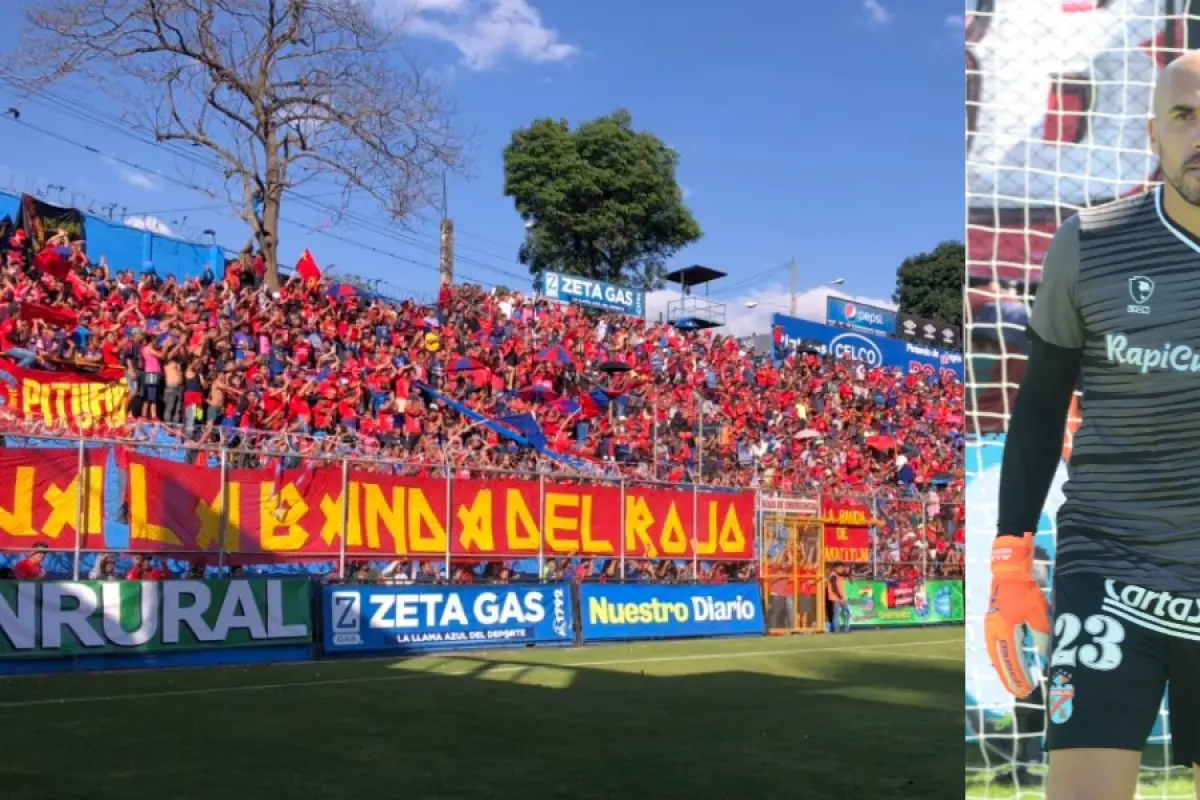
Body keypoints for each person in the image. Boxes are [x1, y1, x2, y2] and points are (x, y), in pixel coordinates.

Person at [985, 51, 1200, 800]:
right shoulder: (1091, 242)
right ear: (1152, 133)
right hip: (1107, 573)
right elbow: (1040, 404)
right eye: (1184, 115)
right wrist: (1011, 562)